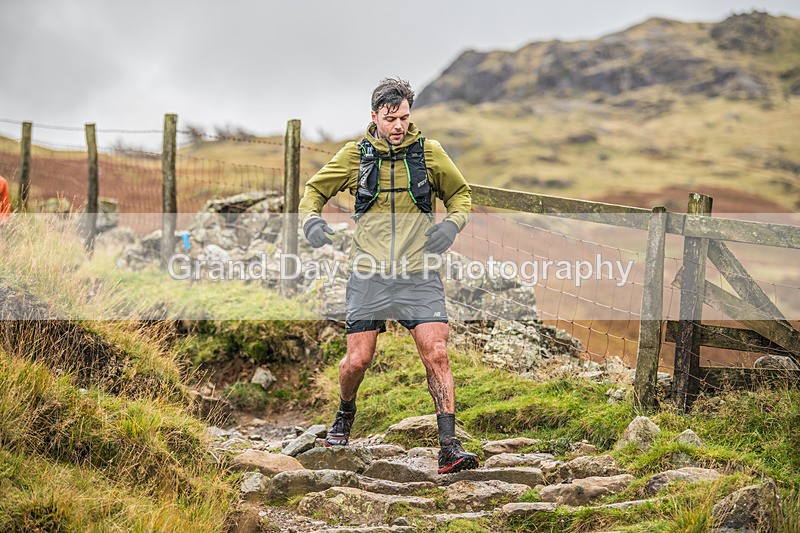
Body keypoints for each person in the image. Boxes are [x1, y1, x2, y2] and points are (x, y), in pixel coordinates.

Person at [298, 77, 478, 474]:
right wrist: (310, 221)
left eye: (404, 117)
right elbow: (313, 191)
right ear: (375, 116)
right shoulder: (354, 156)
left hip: (419, 273)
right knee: (357, 361)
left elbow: (460, 195)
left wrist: (452, 225)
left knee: (437, 353)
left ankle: (449, 446)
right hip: (369, 275)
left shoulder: (429, 153)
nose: (398, 125)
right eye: (390, 117)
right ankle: (346, 411)